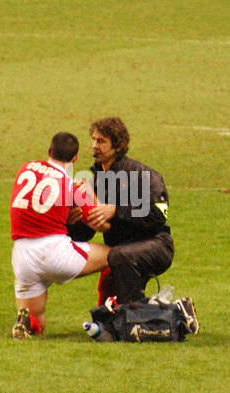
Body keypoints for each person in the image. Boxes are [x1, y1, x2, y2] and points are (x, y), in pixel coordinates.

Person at [67, 118, 173, 308]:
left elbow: (159, 213)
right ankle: (147, 312)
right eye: (93, 140)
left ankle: (134, 315)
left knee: (118, 256)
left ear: (118, 146)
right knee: (105, 311)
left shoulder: (142, 175)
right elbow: (86, 234)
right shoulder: (96, 182)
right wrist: (76, 221)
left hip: (156, 245)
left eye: (101, 141)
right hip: (120, 252)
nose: (94, 146)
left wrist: (115, 210)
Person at [10, 133, 106, 339]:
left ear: (49, 152)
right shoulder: (71, 185)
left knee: (38, 322)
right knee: (115, 255)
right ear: (75, 159)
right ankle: (108, 316)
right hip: (55, 251)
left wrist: (64, 218)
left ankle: (27, 322)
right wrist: (92, 195)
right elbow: (100, 223)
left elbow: (35, 209)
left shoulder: (25, 168)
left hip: (22, 256)